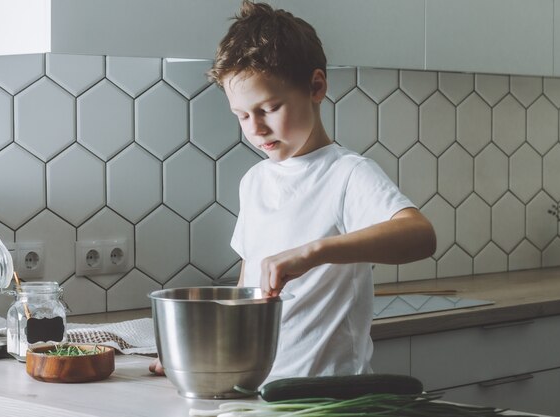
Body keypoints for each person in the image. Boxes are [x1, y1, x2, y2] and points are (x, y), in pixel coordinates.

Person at [150, 0, 436, 379]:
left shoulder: (347, 174)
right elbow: (248, 285)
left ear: (316, 86)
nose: (256, 129)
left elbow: (420, 236)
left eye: (269, 108)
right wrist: (197, 352)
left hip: (330, 394)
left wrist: (313, 253)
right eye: (242, 115)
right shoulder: (254, 182)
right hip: (261, 391)